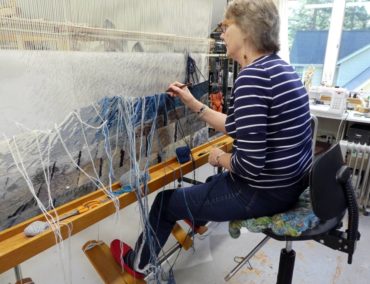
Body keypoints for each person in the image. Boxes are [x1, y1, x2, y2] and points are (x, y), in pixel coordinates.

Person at [110, 0, 312, 279]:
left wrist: (219, 157)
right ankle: (198, 213)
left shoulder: (252, 78)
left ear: (245, 32)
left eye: (226, 27)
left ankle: (138, 263)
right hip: (287, 186)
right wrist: (193, 103)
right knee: (211, 182)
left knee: (165, 203)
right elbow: (240, 126)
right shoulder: (281, 71)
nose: (222, 34)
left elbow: (250, 166)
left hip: (262, 193)